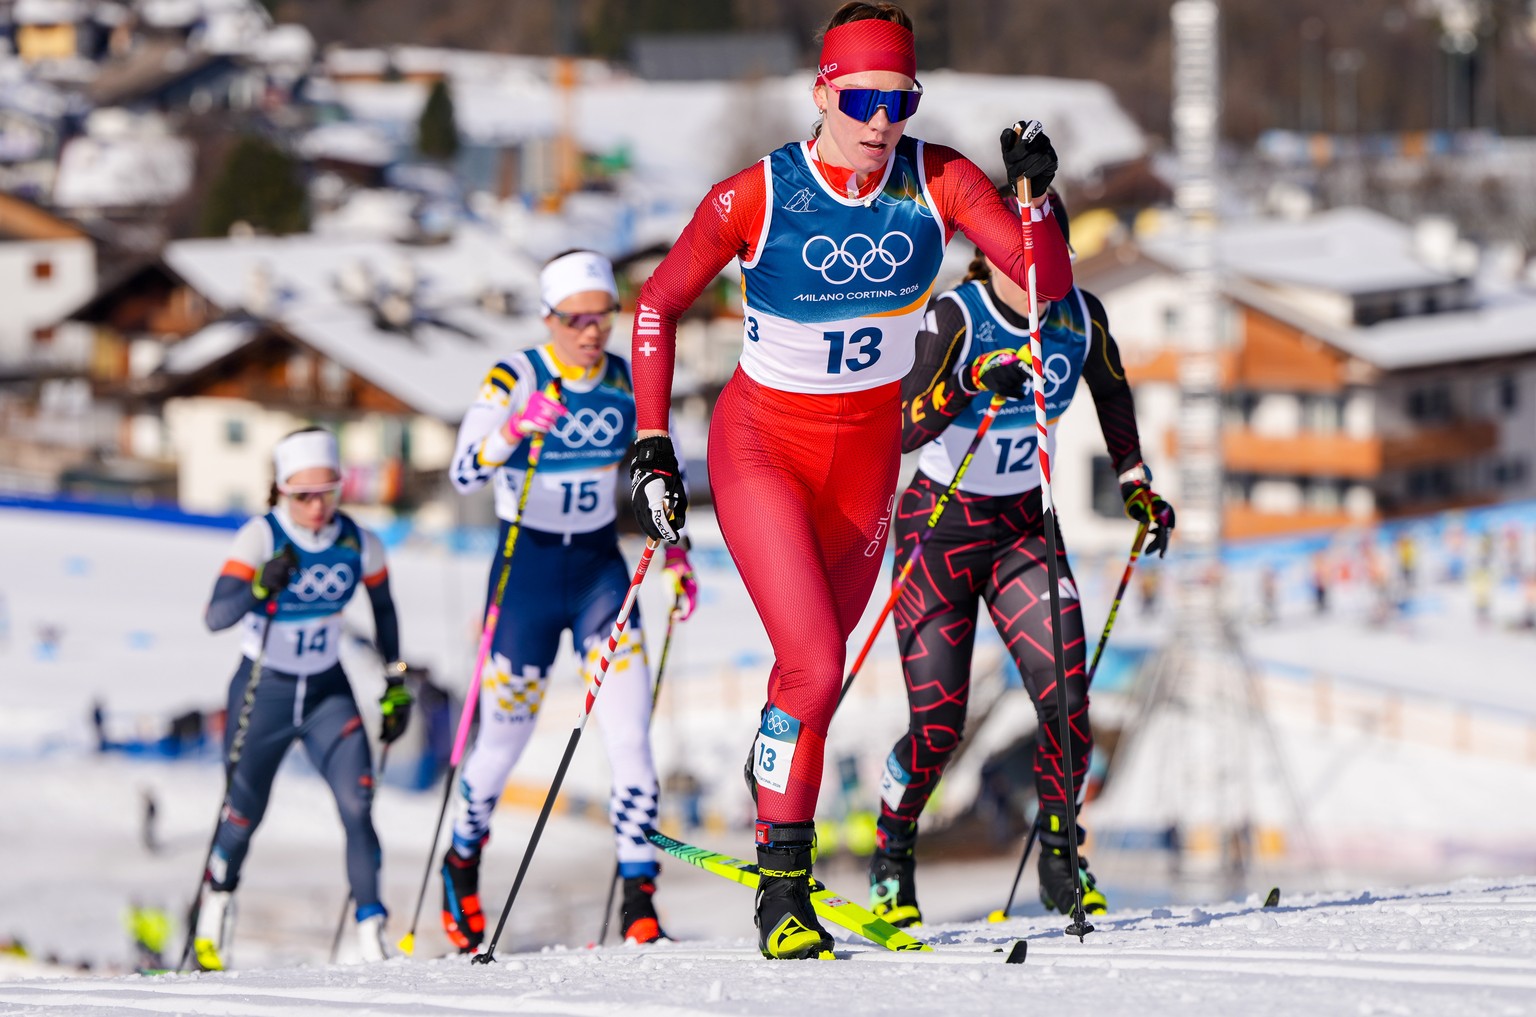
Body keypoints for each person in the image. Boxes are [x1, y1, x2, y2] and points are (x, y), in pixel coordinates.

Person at [625, 2, 1073, 958]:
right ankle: (785, 897)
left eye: (900, 99)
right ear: (823, 92)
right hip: (763, 450)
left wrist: (1033, 200)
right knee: (815, 665)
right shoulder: (756, 195)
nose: (882, 121)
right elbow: (659, 302)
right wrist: (654, 442)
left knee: (813, 685)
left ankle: (775, 757)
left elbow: (1045, 286)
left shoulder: (938, 177)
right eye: (863, 97)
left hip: (869, 460)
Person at [866, 194, 1173, 926]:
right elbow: (903, 426)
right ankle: (892, 848)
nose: (1039, 282)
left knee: (1067, 699)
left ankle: (1062, 859)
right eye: (1024, 264)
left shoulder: (1078, 314)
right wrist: (970, 382)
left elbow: (1112, 389)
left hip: (1022, 529)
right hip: (939, 529)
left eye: (1051, 263)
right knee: (938, 728)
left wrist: (1136, 484)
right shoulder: (957, 317)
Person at [444, 249, 698, 952]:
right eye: (575, 319)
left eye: (603, 316)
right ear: (548, 319)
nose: (592, 331)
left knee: (631, 740)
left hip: (597, 575)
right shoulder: (515, 376)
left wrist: (675, 553)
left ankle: (638, 901)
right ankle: (460, 867)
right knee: (501, 746)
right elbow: (462, 471)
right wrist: (513, 427)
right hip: (523, 574)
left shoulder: (626, 380)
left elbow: (658, 474)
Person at [199, 427, 411, 968]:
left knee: (358, 805)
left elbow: (384, 610)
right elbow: (216, 616)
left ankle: (371, 935)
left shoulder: (360, 542)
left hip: (325, 693)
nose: (318, 507)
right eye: (303, 496)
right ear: (280, 492)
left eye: (329, 493)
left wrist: (395, 681)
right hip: (262, 689)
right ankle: (216, 910)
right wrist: (260, 588)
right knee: (243, 813)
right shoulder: (260, 537)